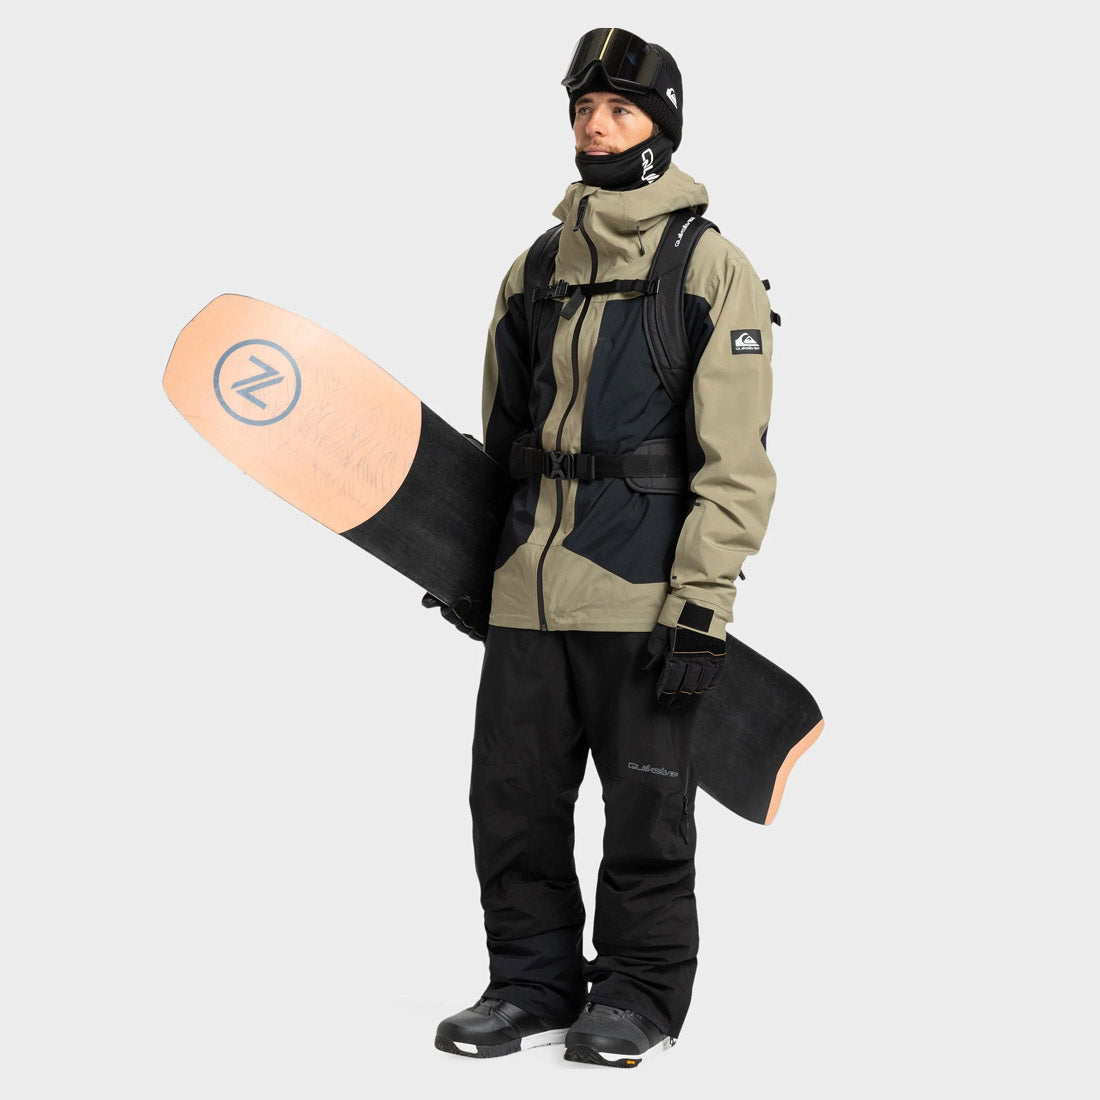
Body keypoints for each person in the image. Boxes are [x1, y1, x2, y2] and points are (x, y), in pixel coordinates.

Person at [427, 27, 778, 1068]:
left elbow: (736, 463)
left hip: (642, 594)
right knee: (512, 804)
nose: (595, 126)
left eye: (619, 110)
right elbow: (501, 438)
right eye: (583, 109)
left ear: (659, 129)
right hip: (528, 592)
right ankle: (529, 984)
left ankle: (638, 995)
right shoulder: (534, 269)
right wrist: (476, 567)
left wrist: (702, 604)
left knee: (645, 810)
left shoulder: (708, 268)